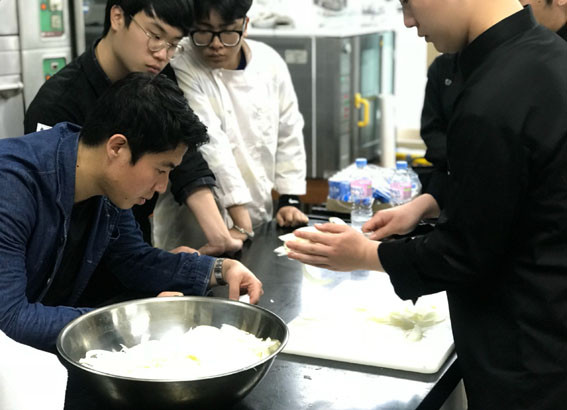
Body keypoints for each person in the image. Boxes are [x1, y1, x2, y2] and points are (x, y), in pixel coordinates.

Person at [285, 2, 567, 409]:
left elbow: (464, 252)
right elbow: (517, 191)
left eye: (408, 3)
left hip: (528, 354)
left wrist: (366, 255)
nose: (408, 21)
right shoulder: (546, 54)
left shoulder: (494, 94)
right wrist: (430, 203)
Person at [0, 73, 263, 352]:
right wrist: (134, 320)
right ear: (117, 148)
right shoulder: (11, 184)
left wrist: (219, 269)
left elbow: (132, 258)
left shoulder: (108, 183)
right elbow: (10, 319)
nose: (162, 186)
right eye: (160, 170)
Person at [24, 0, 242, 257]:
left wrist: (219, 236)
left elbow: (181, 152)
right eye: (155, 36)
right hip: (76, 261)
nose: (162, 54)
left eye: (174, 44)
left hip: (133, 251)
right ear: (117, 17)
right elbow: (51, 215)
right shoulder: (58, 106)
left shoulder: (156, 75)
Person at [152, 0, 309, 251]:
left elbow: (288, 131)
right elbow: (210, 142)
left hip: (258, 214)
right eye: (204, 31)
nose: (216, 44)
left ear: (245, 26)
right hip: (194, 228)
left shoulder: (269, 63)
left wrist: (289, 199)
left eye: (227, 32)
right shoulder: (180, 63)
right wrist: (239, 217)